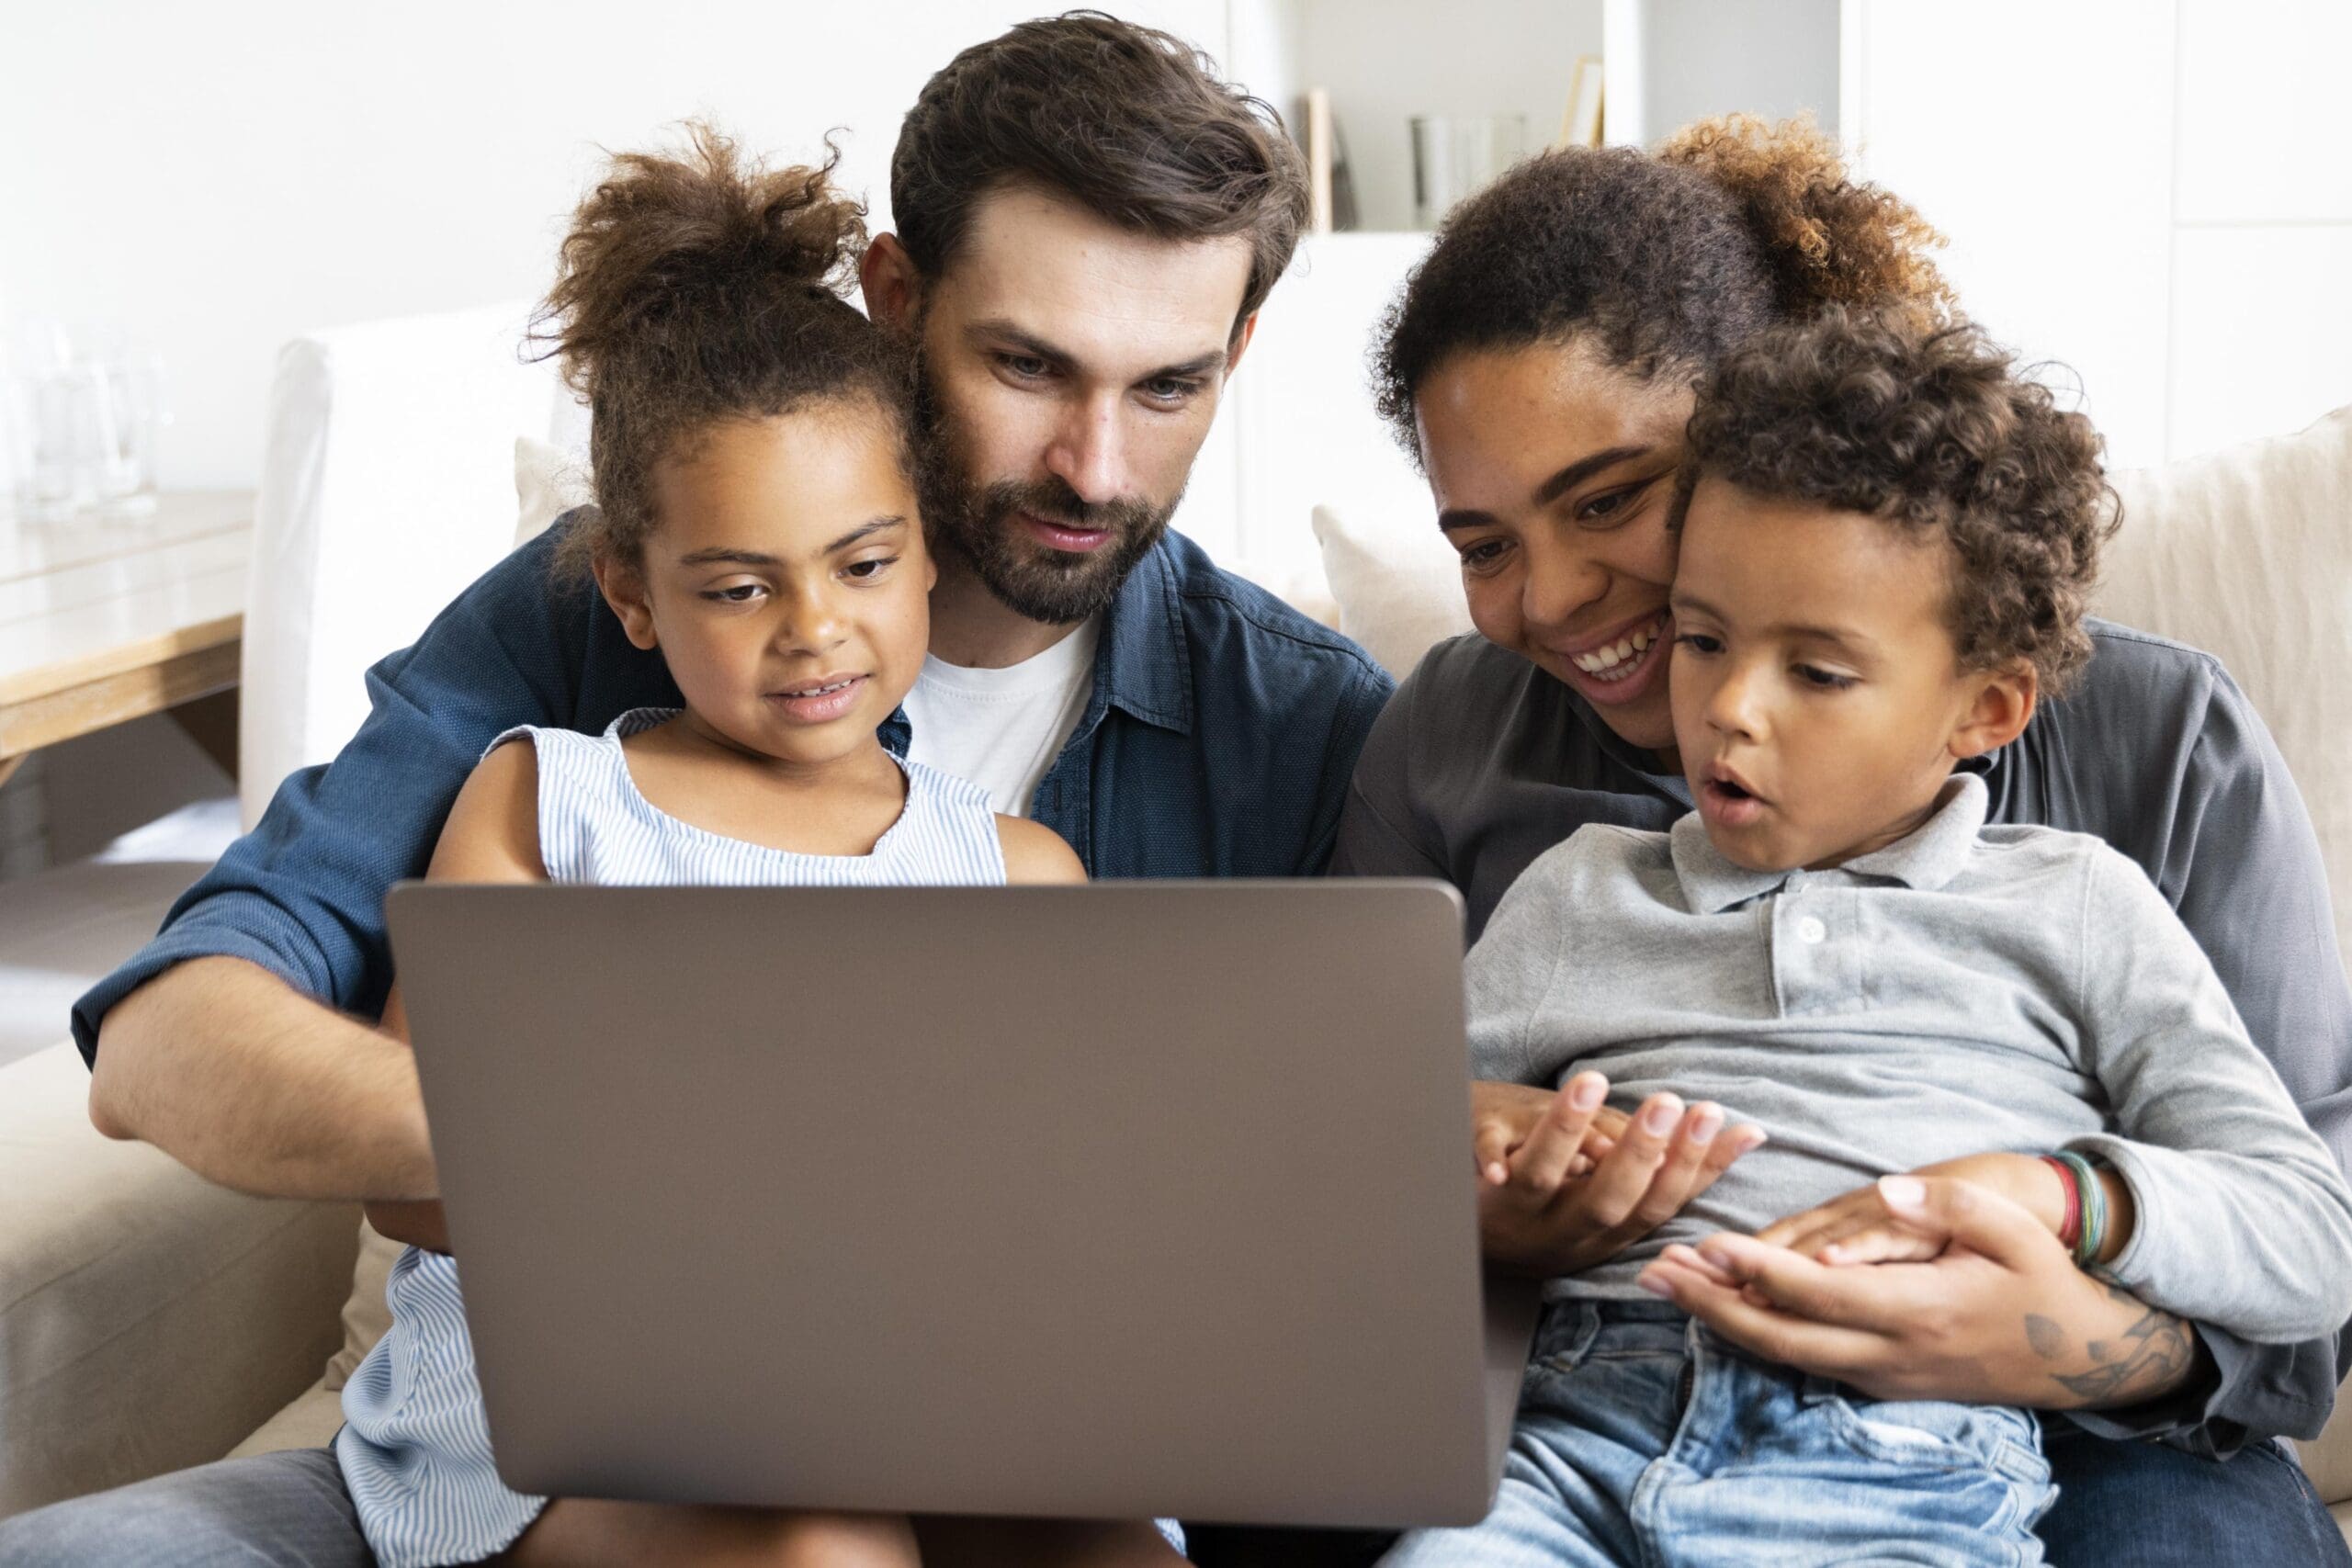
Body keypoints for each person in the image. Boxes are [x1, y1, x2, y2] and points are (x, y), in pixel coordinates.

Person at [0, 15, 1396, 1566]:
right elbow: (172, 1035)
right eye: (1026, 365)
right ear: (894, 297)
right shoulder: (570, 640)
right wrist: (661, 1169)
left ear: (1239, 358)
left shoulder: (1297, 726)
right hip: (570, 1452)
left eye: (1169, 389)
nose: (1093, 467)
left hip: (1001, 1451)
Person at [1335, 117, 2352, 1563]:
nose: (1551, 599)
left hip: (2016, 1432)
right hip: (1591, 1406)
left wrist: (2057, 1324)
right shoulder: (1505, 799)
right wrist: (1460, 1185)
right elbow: (1332, 1155)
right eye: (1482, 543)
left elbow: (2300, 1271)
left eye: (1611, 498)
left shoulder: (2126, 801)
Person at [338, 126, 1189, 1568]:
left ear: (929, 548)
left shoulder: (1021, 873)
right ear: (630, 591)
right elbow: (413, 1177)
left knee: (1122, 1544)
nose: (813, 630)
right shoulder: (543, 803)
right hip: (577, 1422)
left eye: (863, 564)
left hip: (919, 1380)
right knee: (819, 1541)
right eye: (737, 587)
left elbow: (1052, 1215)